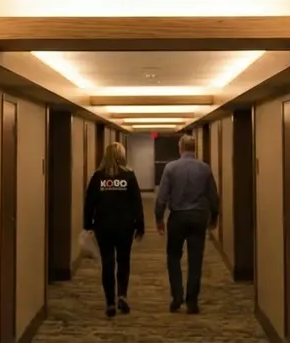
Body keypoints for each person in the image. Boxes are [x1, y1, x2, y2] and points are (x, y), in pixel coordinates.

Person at [154, 134, 219, 314]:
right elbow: (213, 196)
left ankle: (177, 296)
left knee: (173, 257)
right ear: (195, 148)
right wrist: (215, 216)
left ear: (180, 148)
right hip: (199, 217)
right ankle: (192, 301)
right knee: (195, 259)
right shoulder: (205, 168)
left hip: (178, 217)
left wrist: (159, 218)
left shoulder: (170, 168)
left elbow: (162, 197)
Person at [83, 142, 145, 317]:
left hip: (103, 226)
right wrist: (140, 225)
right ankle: (122, 295)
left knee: (108, 263)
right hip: (125, 226)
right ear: (122, 156)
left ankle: (110, 301)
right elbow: (136, 203)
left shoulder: (98, 177)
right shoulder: (129, 176)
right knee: (123, 261)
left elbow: (90, 203)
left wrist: (88, 225)